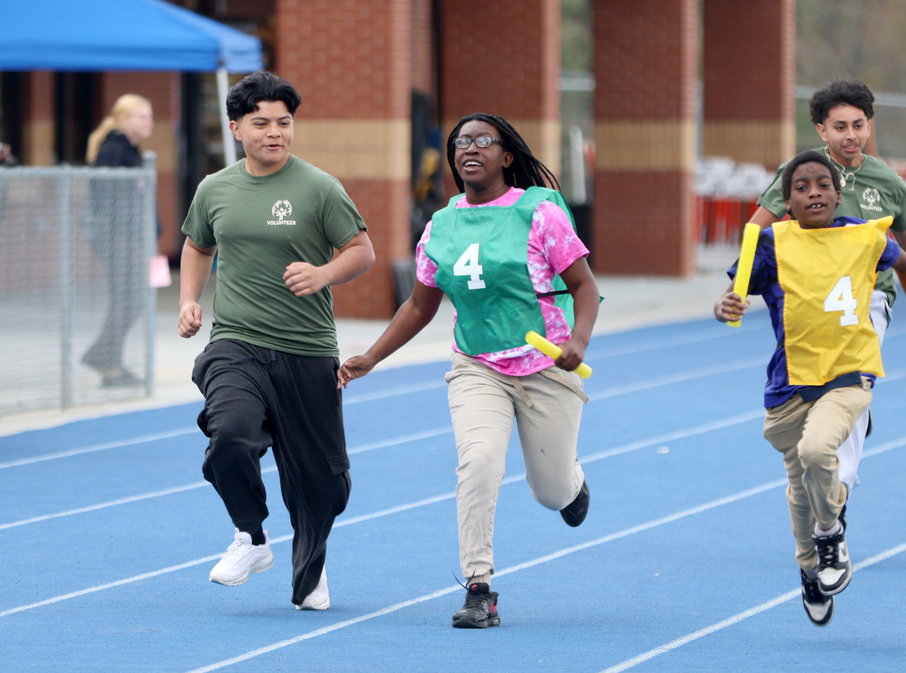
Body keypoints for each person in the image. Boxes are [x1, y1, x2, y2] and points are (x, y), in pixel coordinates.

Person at [340, 113, 599, 629]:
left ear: (506, 156)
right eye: (461, 142)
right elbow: (419, 305)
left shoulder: (539, 214)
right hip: (476, 365)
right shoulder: (441, 226)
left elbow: (585, 287)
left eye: (484, 140)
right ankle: (478, 587)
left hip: (546, 366)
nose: (470, 149)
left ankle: (572, 484)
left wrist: (578, 340)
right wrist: (371, 356)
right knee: (478, 464)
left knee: (549, 493)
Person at [714, 150, 906, 626]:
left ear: (838, 194)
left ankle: (831, 532)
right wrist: (726, 307)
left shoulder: (863, 235)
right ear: (787, 201)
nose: (813, 192)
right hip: (791, 381)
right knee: (799, 488)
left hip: (848, 375)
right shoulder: (773, 243)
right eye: (801, 187)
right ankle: (810, 568)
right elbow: (734, 292)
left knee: (819, 452)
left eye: (822, 184)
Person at [177, 71, 375, 610]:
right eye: (261, 123)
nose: (275, 132)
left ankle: (311, 568)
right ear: (237, 127)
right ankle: (251, 536)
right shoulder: (214, 189)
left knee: (323, 484)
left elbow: (362, 251)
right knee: (231, 437)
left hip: (307, 349)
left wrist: (323, 273)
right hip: (237, 341)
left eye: (284, 123)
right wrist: (188, 300)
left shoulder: (319, 188)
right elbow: (197, 246)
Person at [748, 77, 906, 499]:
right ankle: (848, 420)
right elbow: (756, 228)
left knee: (853, 376)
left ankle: (840, 483)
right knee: (818, 388)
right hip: (810, 299)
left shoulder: (888, 182)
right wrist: (742, 286)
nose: (851, 135)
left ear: (870, 126)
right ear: (822, 130)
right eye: (840, 127)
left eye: (859, 125)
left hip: (869, 298)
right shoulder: (803, 175)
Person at [81, 94, 154, 387]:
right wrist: (121, 233)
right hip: (118, 237)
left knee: (130, 299)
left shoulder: (132, 151)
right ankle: (104, 358)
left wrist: (152, 233)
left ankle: (110, 363)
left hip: (133, 235)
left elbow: (142, 198)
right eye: (142, 117)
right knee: (128, 299)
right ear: (123, 119)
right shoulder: (113, 149)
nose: (148, 122)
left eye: (150, 116)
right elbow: (104, 195)